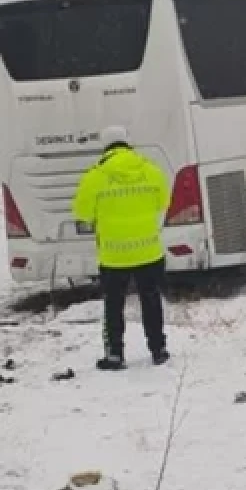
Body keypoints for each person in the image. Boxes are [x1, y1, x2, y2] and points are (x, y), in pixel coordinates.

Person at [71, 126, 172, 370]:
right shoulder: (150, 170)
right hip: (148, 250)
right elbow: (164, 202)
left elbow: (81, 213)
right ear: (128, 143)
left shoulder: (95, 176)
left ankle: (115, 354)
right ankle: (158, 350)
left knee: (113, 304)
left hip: (114, 255)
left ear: (105, 147)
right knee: (151, 299)